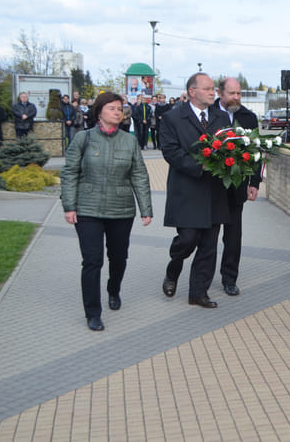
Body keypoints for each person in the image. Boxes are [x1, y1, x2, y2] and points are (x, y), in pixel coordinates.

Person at [60, 92, 153, 331]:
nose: (117, 112)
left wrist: (146, 209)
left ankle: (114, 290)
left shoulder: (129, 141)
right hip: (87, 209)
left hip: (120, 210)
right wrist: (69, 206)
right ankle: (93, 312)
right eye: (111, 108)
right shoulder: (83, 138)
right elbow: (69, 172)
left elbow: (139, 175)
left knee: (119, 257)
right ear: (99, 112)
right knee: (92, 261)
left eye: (119, 108)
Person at [158, 72, 230, 308]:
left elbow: (230, 146)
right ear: (192, 92)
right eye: (208, 89)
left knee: (209, 245)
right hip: (187, 189)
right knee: (188, 239)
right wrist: (199, 166)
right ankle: (174, 267)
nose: (213, 93)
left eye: (214, 89)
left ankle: (199, 293)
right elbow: (170, 151)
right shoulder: (173, 118)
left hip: (214, 192)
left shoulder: (221, 117)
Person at [211, 77, 261, 296]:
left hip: (237, 185)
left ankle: (229, 278)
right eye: (231, 93)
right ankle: (203, 277)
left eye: (239, 93)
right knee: (208, 236)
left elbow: (257, 153)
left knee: (233, 235)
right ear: (220, 93)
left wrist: (255, 183)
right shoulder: (208, 115)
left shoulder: (248, 117)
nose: (236, 98)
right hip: (211, 186)